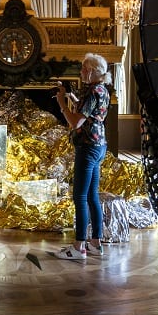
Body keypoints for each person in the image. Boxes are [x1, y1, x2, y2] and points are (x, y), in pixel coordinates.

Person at [54, 53, 112, 259]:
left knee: (79, 196)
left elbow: (76, 122)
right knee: (91, 195)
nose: (80, 72)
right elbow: (91, 112)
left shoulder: (92, 91)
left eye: (83, 69)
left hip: (88, 146)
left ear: (91, 71)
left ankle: (79, 247)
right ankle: (96, 242)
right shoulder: (102, 89)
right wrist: (71, 97)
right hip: (100, 145)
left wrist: (61, 103)